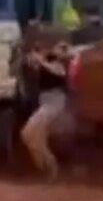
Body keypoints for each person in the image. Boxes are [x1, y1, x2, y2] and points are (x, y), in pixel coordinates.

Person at [20, 41, 73, 180]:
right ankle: (44, 168)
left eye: (62, 49)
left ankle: (51, 167)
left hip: (55, 105)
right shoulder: (47, 63)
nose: (57, 50)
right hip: (45, 103)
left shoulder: (60, 67)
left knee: (26, 133)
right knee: (34, 139)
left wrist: (40, 59)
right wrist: (33, 58)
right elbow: (33, 64)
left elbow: (52, 69)